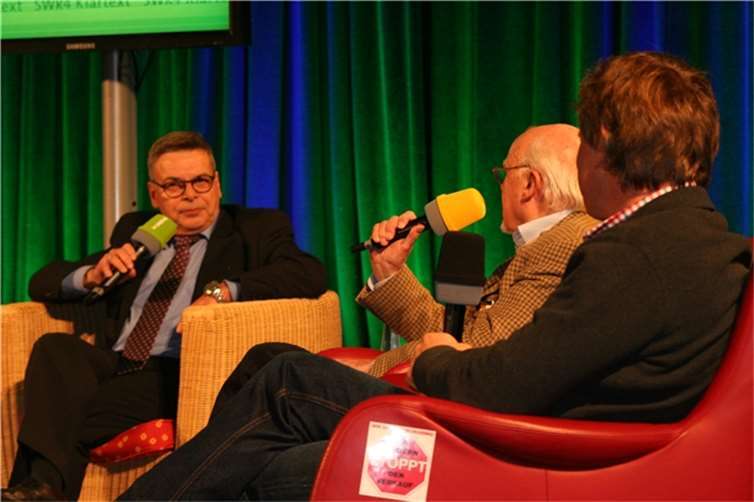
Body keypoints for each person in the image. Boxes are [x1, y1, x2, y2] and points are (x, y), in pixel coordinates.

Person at [119, 52, 751, 501]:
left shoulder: (632, 253)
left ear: (606, 142)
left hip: (523, 453)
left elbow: (499, 381)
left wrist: (429, 361)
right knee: (266, 409)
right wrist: (405, 295)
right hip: (554, 439)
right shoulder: (700, 238)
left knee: (280, 400)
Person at [2, 131, 327, 501]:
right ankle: (41, 490)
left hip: (177, 370)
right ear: (154, 194)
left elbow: (308, 273)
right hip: (117, 361)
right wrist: (92, 274)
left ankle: (39, 489)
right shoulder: (138, 231)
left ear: (218, 184)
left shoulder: (254, 228)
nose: (190, 195)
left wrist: (223, 291)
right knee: (55, 348)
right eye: (174, 186)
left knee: (57, 412)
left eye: (200, 181)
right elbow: (42, 282)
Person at [208, 123, 597, 415]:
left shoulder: (559, 245)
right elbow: (455, 335)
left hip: (434, 408)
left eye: (503, 174)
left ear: (529, 184)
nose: (500, 186)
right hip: (423, 389)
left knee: (278, 370)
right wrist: (389, 269)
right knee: (269, 363)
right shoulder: (540, 246)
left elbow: (476, 349)